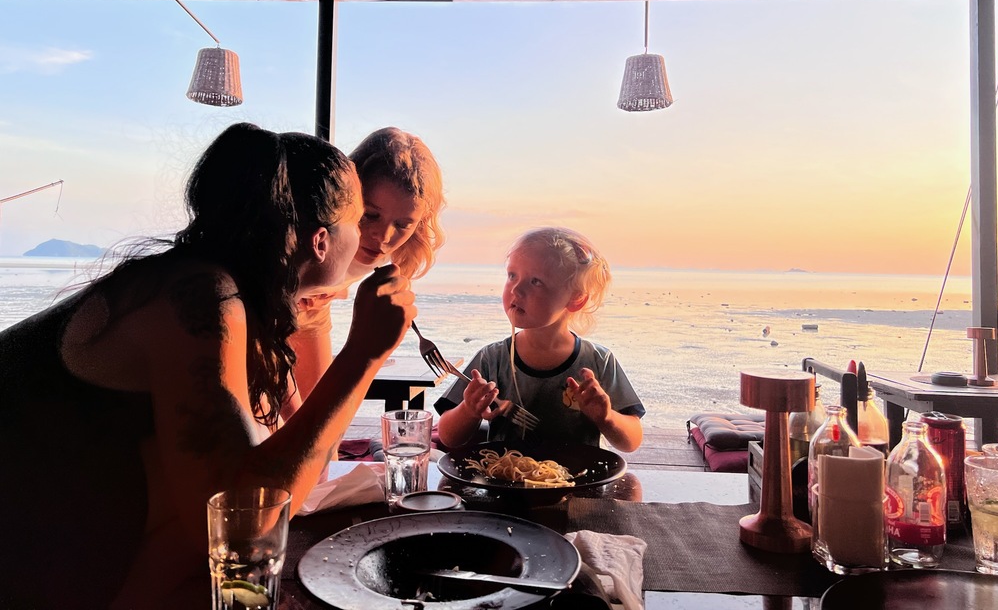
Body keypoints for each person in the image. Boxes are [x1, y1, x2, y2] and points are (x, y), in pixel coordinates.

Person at [0, 122, 415, 609]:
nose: (373, 237)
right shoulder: (198, 299)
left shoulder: (234, 300)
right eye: (359, 219)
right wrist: (363, 355)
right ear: (321, 241)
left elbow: (271, 475)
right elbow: (236, 521)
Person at [435, 226, 644, 452]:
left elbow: (631, 441)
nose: (516, 289)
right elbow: (448, 436)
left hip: (579, 483)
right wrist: (469, 409)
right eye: (512, 275)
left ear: (576, 299)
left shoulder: (597, 361)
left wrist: (607, 418)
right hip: (506, 481)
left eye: (536, 281)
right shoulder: (492, 359)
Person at [287, 126, 445, 410]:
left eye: (403, 224)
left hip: (313, 310)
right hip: (268, 307)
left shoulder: (393, 252)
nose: (383, 237)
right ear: (346, 197)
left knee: (318, 415)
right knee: (289, 427)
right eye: (370, 215)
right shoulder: (311, 231)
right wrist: (365, 346)